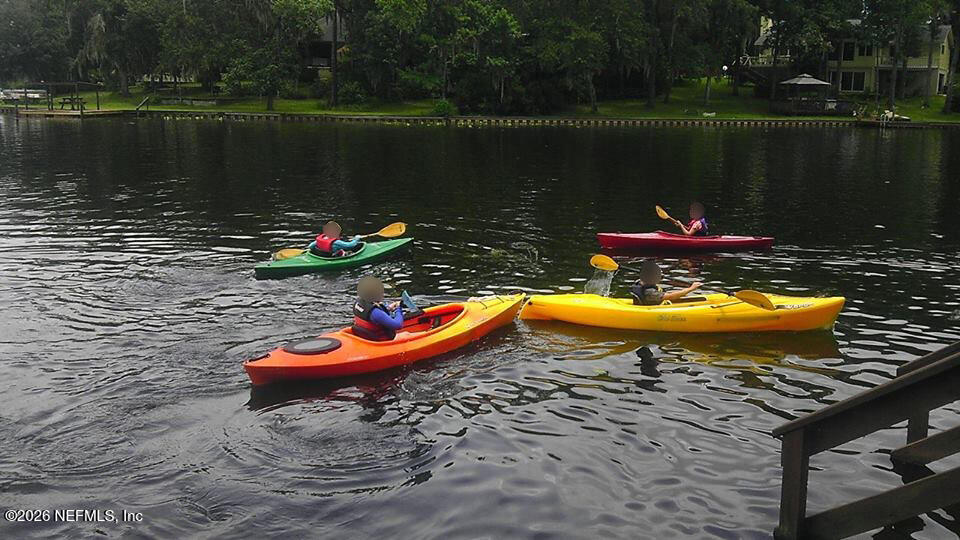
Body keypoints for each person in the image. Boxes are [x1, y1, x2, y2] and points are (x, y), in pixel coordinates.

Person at [352, 276, 405, 341]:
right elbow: (398, 325)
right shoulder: (376, 313)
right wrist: (398, 309)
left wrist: (388, 308)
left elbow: (373, 315)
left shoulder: (359, 302)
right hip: (381, 341)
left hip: (365, 337)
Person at [630, 259, 703, 306]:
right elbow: (670, 296)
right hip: (653, 310)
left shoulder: (639, 282)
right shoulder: (649, 291)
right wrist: (691, 289)